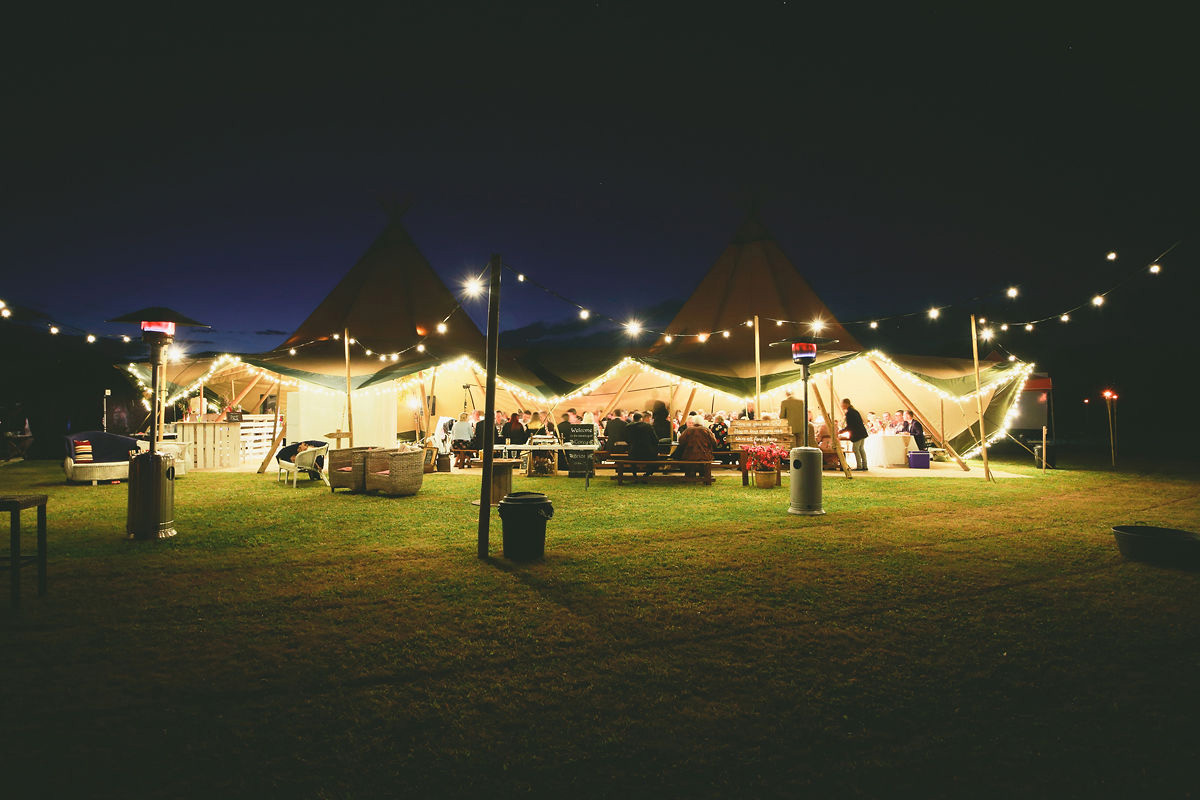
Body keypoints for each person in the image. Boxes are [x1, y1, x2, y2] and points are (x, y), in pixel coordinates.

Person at [624, 411, 660, 482]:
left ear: (633, 419)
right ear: (641, 419)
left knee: (631, 456)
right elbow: (656, 440)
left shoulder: (628, 427)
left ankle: (634, 475)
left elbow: (626, 439)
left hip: (634, 453)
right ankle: (647, 474)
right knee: (658, 459)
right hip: (648, 453)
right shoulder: (648, 426)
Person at [840, 398, 870, 471]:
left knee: (856, 449)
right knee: (861, 449)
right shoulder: (854, 411)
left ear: (846, 404)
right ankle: (864, 465)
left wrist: (840, 431)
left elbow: (850, 426)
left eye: (842, 404)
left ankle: (859, 466)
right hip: (862, 432)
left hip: (857, 434)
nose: (841, 405)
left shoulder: (849, 413)